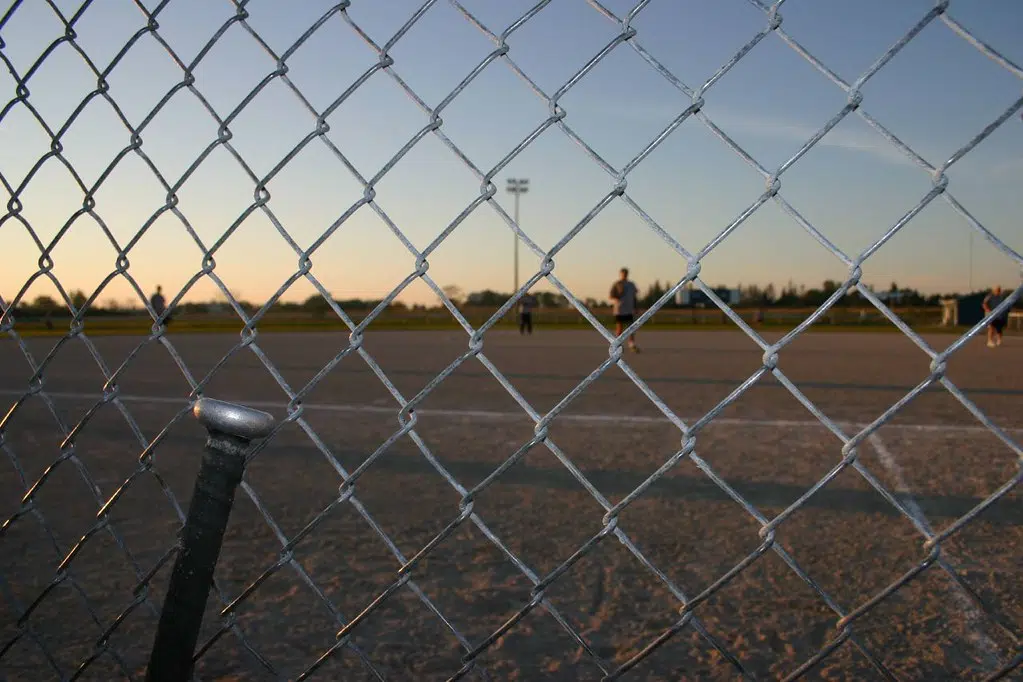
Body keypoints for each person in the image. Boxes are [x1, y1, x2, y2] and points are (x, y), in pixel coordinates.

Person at [609, 267, 640, 353]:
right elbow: (611, 296)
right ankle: (618, 345)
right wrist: (618, 295)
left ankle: (632, 344)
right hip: (619, 310)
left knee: (631, 328)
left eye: (626, 273)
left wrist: (636, 306)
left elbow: (634, 296)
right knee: (619, 328)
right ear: (621, 274)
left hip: (629, 310)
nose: (625, 275)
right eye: (623, 273)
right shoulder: (617, 284)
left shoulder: (631, 284)